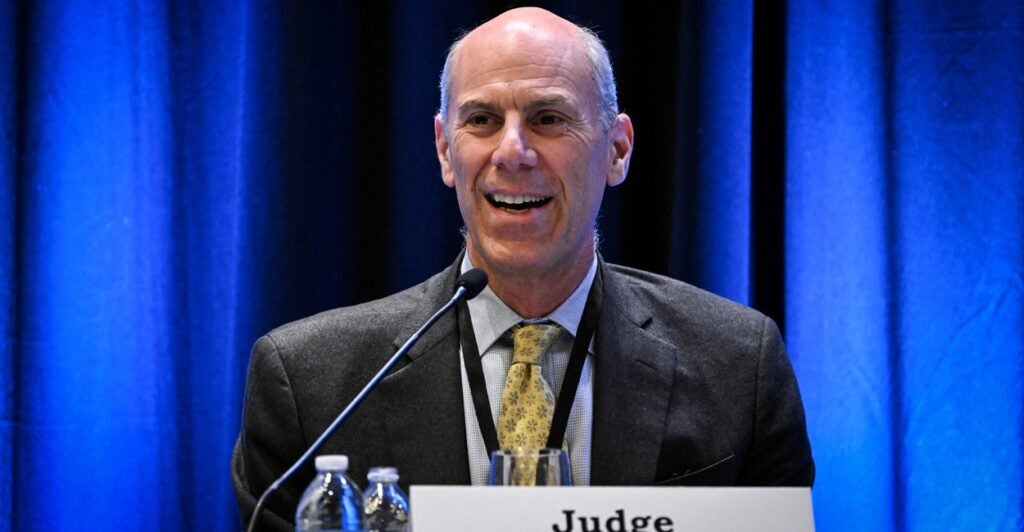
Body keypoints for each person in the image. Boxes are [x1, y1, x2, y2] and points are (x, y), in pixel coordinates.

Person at [231, 6, 814, 529]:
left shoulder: (740, 366)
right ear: (444, 150)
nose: (511, 152)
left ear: (617, 149)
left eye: (548, 119)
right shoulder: (311, 384)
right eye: (481, 120)